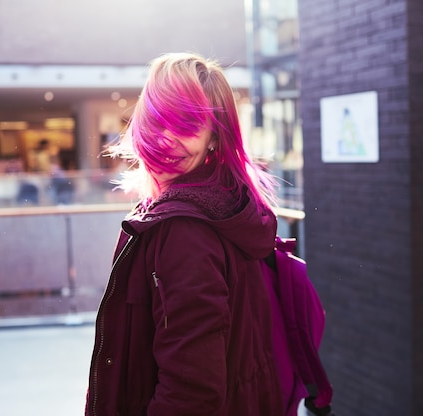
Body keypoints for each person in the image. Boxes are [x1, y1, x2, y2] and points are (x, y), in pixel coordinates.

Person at [85, 52, 284, 416]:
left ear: (213, 138)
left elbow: (191, 391)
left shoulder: (182, 230)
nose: (166, 139)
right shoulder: (228, 204)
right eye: (160, 121)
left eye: (187, 126)